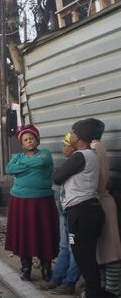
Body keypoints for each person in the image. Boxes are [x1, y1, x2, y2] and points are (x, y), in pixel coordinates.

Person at [52, 118, 115, 298]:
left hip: (81, 212)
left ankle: (96, 293)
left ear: (78, 137)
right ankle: (95, 292)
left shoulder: (81, 156)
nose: (69, 135)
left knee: (84, 259)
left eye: (72, 132)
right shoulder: (90, 155)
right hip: (90, 211)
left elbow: (57, 177)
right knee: (88, 259)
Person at [5, 125, 59, 282]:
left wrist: (21, 168)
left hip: (42, 201)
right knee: (24, 233)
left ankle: (46, 268)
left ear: (37, 140)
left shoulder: (45, 154)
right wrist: (32, 163)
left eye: (31, 138)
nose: (29, 141)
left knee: (44, 233)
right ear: (22, 144)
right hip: (20, 201)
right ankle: (26, 268)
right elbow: (9, 169)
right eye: (25, 140)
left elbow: (43, 163)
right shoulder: (17, 156)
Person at [40, 133, 80, 295]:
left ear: (74, 146)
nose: (63, 149)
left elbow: (57, 177)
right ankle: (57, 279)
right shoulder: (72, 161)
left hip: (73, 209)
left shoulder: (80, 160)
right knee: (64, 246)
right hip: (63, 208)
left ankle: (69, 282)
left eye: (66, 145)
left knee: (73, 248)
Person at [91, 120, 121, 296]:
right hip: (101, 202)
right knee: (102, 250)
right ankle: (105, 289)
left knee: (110, 251)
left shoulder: (95, 148)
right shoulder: (97, 147)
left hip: (102, 202)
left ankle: (113, 291)